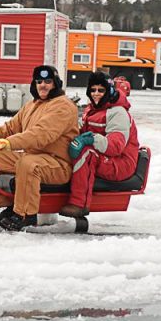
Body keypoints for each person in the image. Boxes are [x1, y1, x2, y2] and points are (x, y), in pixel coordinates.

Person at [0, 65, 79, 231]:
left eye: (48, 81)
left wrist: (10, 143)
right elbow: (9, 128)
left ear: (56, 84)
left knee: (27, 164)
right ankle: (10, 208)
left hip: (58, 164)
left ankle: (25, 216)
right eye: (39, 81)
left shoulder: (63, 106)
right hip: (35, 157)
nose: (43, 85)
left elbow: (41, 134)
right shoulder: (32, 105)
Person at [59, 71, 140, 218]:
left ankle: (79, 204)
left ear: (109, 91)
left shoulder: (118, 112)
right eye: (93, 90)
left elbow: (116, 146)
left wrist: (91, 139)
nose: (96, 94)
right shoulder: (92, 110)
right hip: (107, 157)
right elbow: (80, 130)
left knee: (87, 153)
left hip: (122, 162)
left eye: (101, 90)